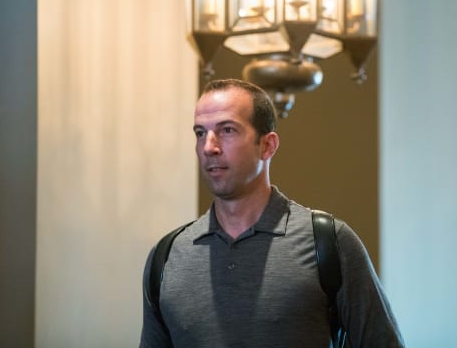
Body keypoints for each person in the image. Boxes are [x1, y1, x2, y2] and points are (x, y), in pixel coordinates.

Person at [140, 79, 405, 347]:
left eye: (227, 130)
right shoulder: (166, 257)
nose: (209, 146)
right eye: (200, 133)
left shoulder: (328, 243)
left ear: (267, 146)